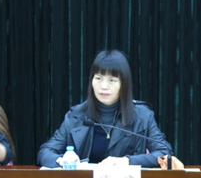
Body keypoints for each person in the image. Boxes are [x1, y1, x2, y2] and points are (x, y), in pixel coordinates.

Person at [37, 50, 172, 168]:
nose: (104, 86)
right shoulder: (76, 115)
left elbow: (165, 153)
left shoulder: (143, 115)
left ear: (123, 84)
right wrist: (61, 160)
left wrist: (127, 161)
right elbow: (45, 152)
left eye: (112, 80)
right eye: (98, 78)